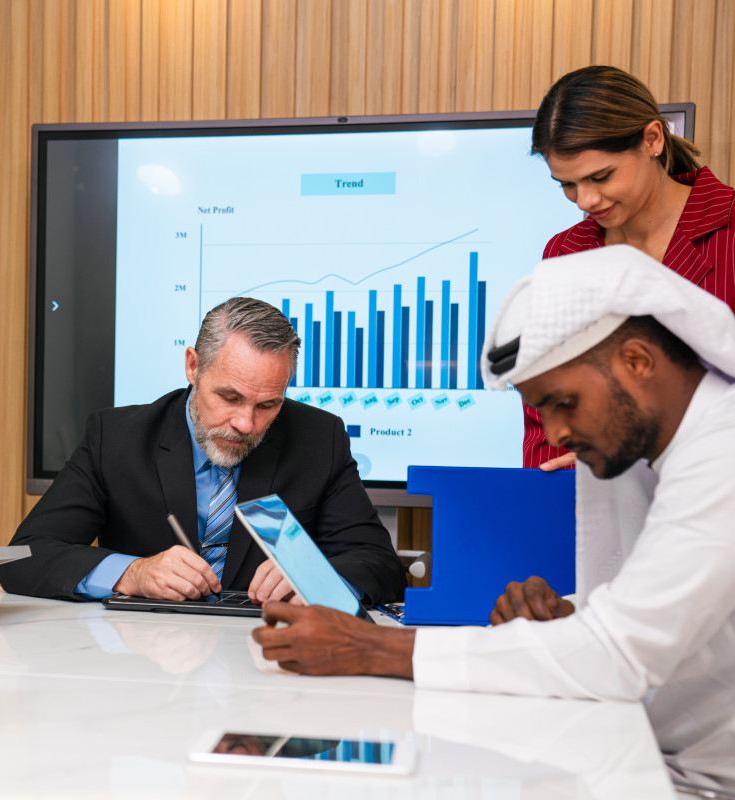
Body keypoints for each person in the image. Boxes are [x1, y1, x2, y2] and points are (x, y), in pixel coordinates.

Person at [251, 246, 735, 791]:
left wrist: (369, 647)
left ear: (638, 362)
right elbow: (671, 608)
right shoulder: (671, 444)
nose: (555, 434)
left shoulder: (723, 453)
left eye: (565, 403)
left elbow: (618, 655)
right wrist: (571, 616)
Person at [0, 297, 406, 606]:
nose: (246, 424)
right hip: (146, 658)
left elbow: (379, 565)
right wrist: (132, 573)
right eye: (230, 397)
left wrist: (317, 577)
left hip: (264, 653)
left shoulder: (319, 438)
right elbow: (25, 557)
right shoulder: (117, 438)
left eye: (268, 405)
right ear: (193, 366)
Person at [523, 64, 735, 470]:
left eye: (601, 177)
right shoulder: (565, 253)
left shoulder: (729, 229)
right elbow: (544, 410)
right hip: (593, 500)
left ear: (652, 139)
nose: (585, 200)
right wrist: (560, 474)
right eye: (568, 184)